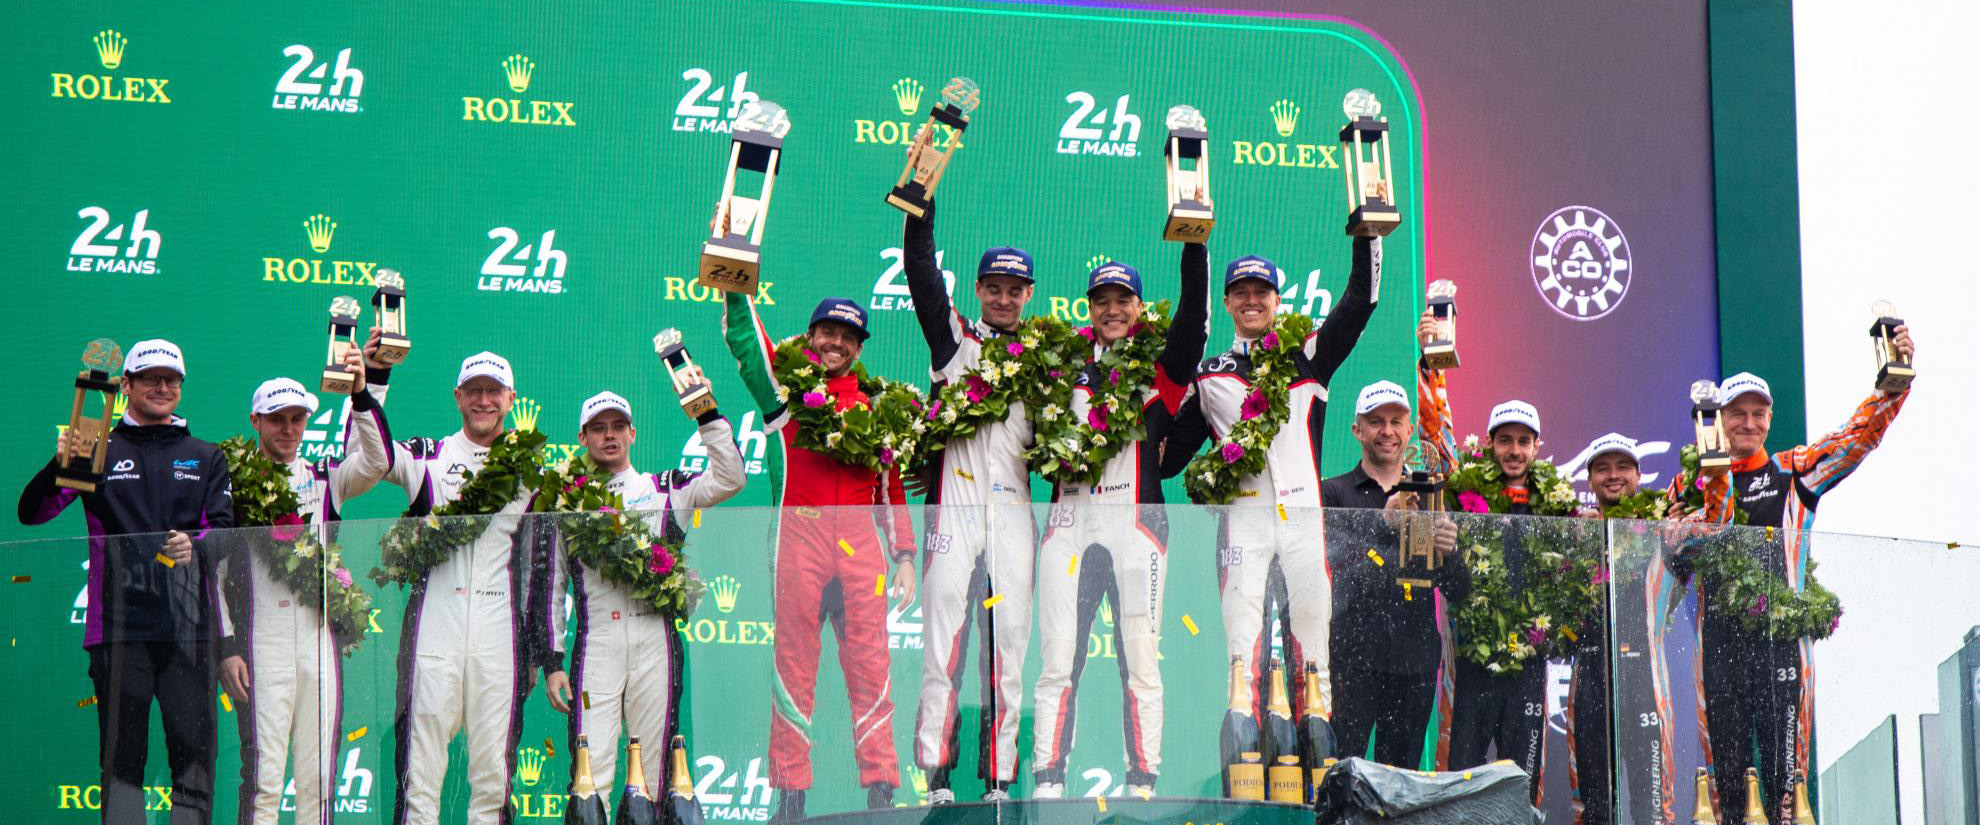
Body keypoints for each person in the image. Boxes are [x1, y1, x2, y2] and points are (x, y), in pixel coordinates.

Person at [1162, 239, 1379, 746]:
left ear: (1278, 300)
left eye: (1262, 291)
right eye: (1241, 292)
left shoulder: (1308, 357)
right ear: (1227, 303)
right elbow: (1170, 460)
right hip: (1243, 527)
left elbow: (1361, 301)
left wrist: (1367, 234)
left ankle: (1315, 773)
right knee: (1243, 656)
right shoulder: (1208, 376)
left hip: (1305, 527)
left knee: (1314, 658)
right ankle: (1245, 769)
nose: (1252, 300)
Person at [1695, 338, 1911, 824]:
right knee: (1727, 781)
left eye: (1758, 413)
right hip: (1718, 646)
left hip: (1780, 644)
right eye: (1737, 414)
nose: (1748, 423)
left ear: (1770, 419)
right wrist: (1710, 493)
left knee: (1785, 782)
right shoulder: (1694, 482)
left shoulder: (1792, 471)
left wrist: (1893, 385)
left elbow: (1855, 440)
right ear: (1718, 420)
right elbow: (1674, 547)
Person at [20, 338, 235, 825]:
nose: (163, 387)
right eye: (151, 378)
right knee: (122, 767)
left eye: (172, 380)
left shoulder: (205, 455)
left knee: (194, 766)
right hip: (118, 633)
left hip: (189, 633)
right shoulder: (96, 448)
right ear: (126, 386)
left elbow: (226, 533)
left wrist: (196, 546)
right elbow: (33, 513)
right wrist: (59, 465)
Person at [722, 291, 918, 821]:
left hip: (861, 550)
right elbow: (750, 348)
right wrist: (735, 288)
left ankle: (881, 794)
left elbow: (891, 487)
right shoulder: (785, 397)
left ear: (859, 348)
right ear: (810, 337)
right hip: (798, 542)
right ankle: (791, 798)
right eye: (827, 332)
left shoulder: (876, 410)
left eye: (847, 337)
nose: (836, 343)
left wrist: (904, 554)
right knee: (793, 669)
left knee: (872, 671)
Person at [1031, 250, 1210, 799]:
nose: (1112, 310)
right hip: (1068, 528)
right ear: (1089, 308)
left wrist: (1194, 244)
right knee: (1057, 660)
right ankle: (1048, 784)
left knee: (1140, 661)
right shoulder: (1060, 370)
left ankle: (1142, 787)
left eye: (1122, 300)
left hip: (1137, 530)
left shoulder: (1160, 370)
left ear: (1138, 307)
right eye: (1102, 301)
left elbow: (1194, 324)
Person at [534, 384, 746, 815]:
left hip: (656, 644)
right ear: (582, 438)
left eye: (618, 426)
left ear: (633, 433)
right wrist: (552, 662)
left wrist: (705, 413)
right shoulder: (566, 502)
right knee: (589, 772)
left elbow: (731, 478)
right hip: (597, 647)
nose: (609, 435)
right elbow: (551, 584)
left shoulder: (665, 488)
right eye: (598, 429)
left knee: (652, 775)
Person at [218, 332, 397, 825]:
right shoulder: (233, 485)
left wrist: (362, 393)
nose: (289, 429)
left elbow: (378, 461)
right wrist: (226, 644)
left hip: (319, 642)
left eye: (297, 419)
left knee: (318, 779)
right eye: (277, 419)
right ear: (255, 421)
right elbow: (215, 573)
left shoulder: (325, 478)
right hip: (261, 643)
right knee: (263, 779)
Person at [364, 352, 549, 825]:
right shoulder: (429, 456)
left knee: (493, 774)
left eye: (494, 391)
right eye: (474, 391)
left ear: (511, 399)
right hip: (434, 625)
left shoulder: (531, 474)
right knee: (420, 770)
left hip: (499, 630)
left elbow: (539, 569)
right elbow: (371, 456)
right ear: (458, 397)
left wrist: (538, 650)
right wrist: (374, 381)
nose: (484, 400)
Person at [900, 206, 1037, 802]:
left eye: (1014, 289)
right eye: (994, 288)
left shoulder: (1046, 359)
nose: (1003, 299)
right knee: (942, 646)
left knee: (1008, 648)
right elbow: (921, 274)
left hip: (1014, 515)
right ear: (978, 290)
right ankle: (935, 778)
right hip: (953, 512)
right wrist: (922, 209)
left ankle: (1000, 779)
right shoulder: (954, 340)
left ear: (1028, 294)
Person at [1417, 329, 1564, 800]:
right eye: (1505, 441)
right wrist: (1431, 362)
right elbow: (1435, 436)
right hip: (1472, 660)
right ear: (1489, 443)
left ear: (1537, 446)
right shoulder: (1465, 492)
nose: (1514, 451)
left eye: (1523, 441)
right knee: (1461, 782)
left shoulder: (1557, 507)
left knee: (1522, 784)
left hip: (1528, 665)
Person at [1320, 381, 1457, 771]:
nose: (1387, 431)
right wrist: (1384, 522)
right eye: (1376, 421)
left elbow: (1458, 588)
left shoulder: (1429, 496)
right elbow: (1337, 571)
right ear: (1357, 430)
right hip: (1351, 661)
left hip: (1414, 664)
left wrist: (1452, 553)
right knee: (1341, 774)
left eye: (1396, 421)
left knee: (1401, 783)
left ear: (1410, 430)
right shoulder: (1332, 494)